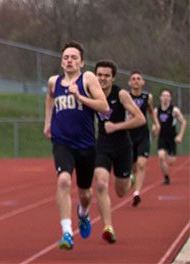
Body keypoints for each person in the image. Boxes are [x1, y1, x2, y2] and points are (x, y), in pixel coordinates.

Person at [43, 40, 108, 251]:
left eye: (74, 58)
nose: (69, 61)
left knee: (85, 193)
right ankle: (67, 232)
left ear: (81, 62)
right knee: (63, 180)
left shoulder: (87, 79)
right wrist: (47, 122)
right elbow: (50, 98)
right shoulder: (54, 82)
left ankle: (83, 213)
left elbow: (104, 106)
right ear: (62, 62)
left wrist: (79, 96)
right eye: (66, 58)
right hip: (62, 142)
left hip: (86, 144)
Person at [91, 61, 145, 244]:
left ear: (113, 78)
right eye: (99, 75)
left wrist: (117, 126)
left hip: (123, 146)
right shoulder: (91, 93)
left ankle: (129, 179)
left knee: (121, 192)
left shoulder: (120, 94)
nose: (102, 79)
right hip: (102, 145)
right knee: (101, 184)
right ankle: (108, 227)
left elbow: (140, 119)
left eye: (106, 75)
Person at [127, 70, 158, 206]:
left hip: (143, 134)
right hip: (128, 135)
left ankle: (137, 193)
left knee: (141, 164)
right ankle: (132, 178)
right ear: (129, 82)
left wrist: (156, 124)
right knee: (133, 166)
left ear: (143, 82)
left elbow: (151, 111)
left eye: (139, 78)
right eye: (133, 79)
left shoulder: (148, 97)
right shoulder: (125, 96)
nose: (136, 81)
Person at [153, 89, 186, 185]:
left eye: (167, 96)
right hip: (162, 137)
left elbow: (183, 122)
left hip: (172, 138)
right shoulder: (156, 110)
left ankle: (168, 156)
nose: (165, 97)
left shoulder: (174, 110)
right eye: (163, 95)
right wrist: (154, 129)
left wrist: (180, 136)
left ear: (170, 98)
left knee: (171, 162)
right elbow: (155, 123)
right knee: (161, 157)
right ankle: (166, 177)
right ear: (160, 98)